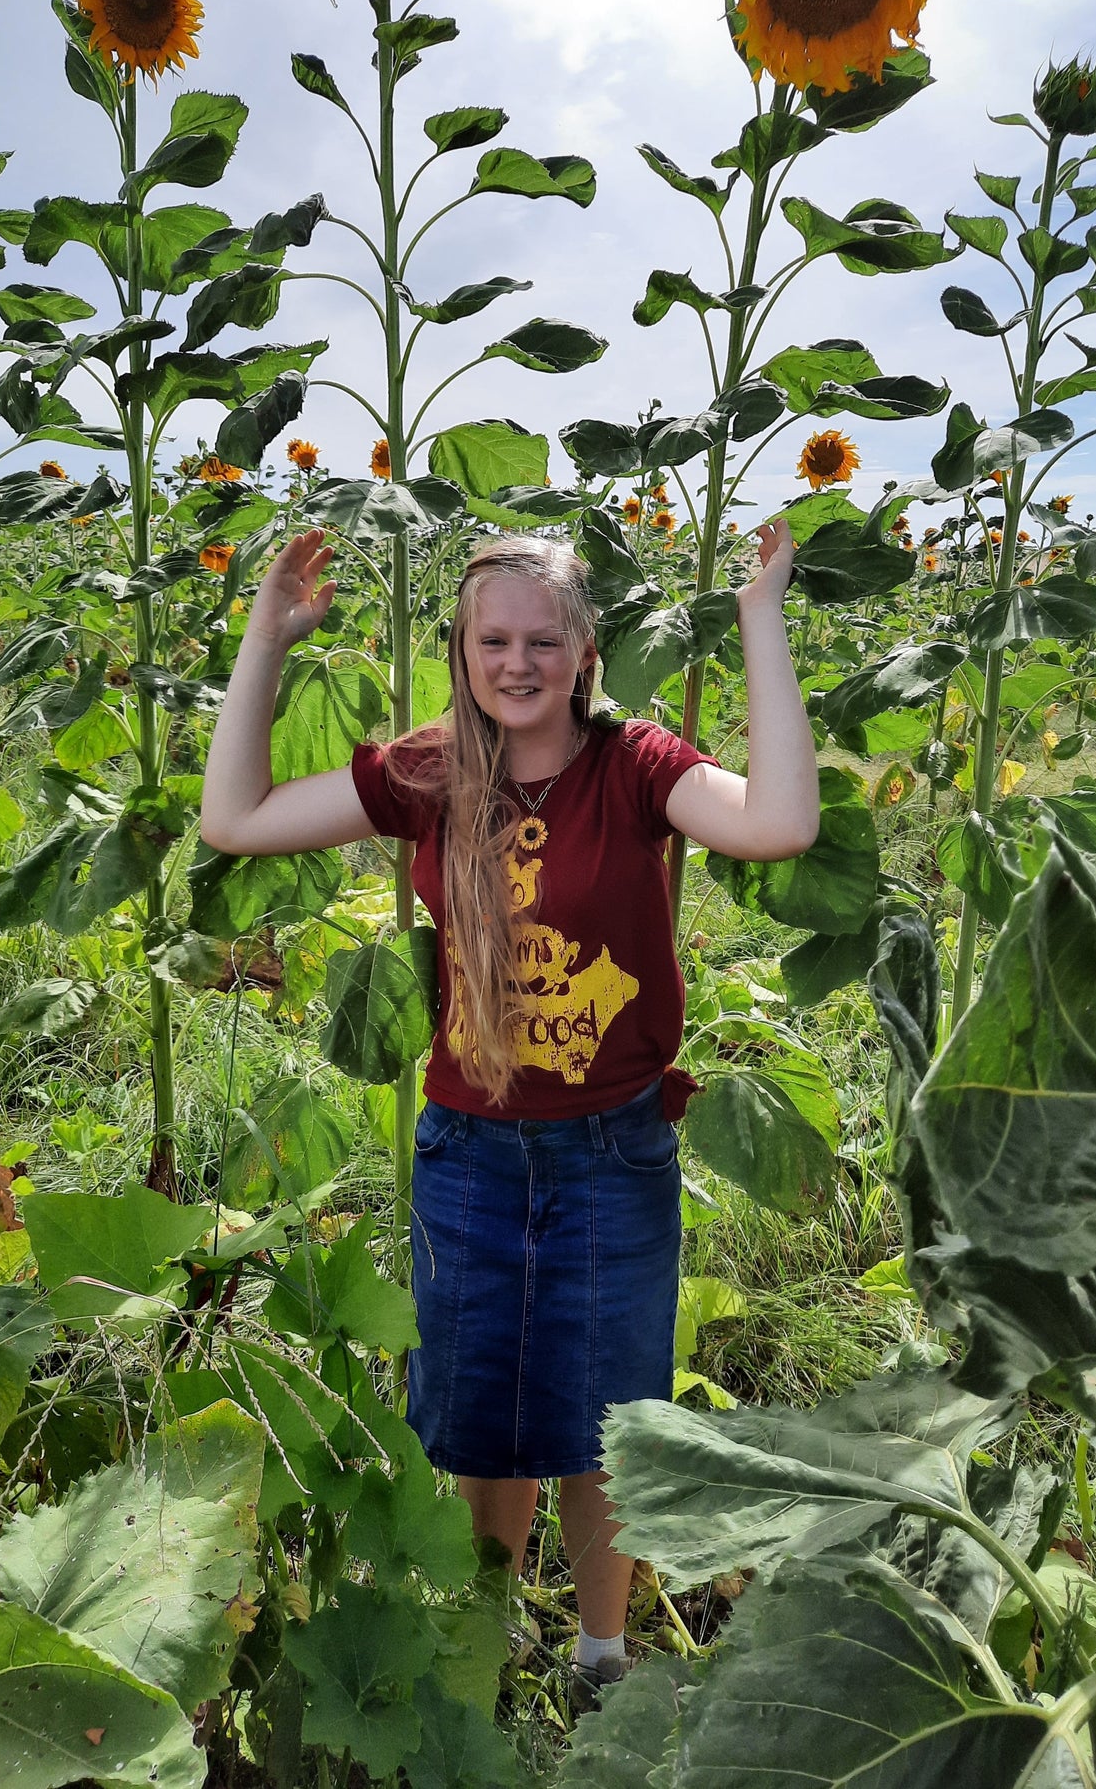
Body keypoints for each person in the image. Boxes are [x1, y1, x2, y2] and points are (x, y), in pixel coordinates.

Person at [202, 520, 819, 1706]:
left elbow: (778, 824)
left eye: (544, 639)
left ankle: (598, 1654)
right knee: (484, 1414)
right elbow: (235, 819)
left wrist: (758, 618)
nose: (518, 662)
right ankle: (489, 1640)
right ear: (463, 648)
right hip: (469, 1150)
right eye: (494, 640)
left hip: (609, 1148)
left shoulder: (634, 764)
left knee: (606, 1422)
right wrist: (263, 643)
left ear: (585, 649)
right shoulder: (430, 771)